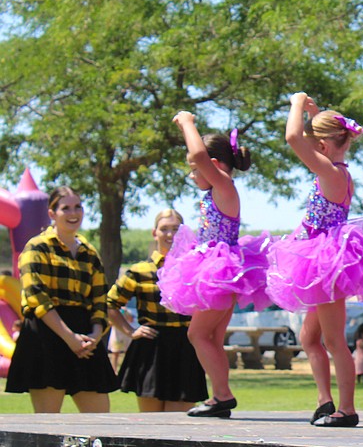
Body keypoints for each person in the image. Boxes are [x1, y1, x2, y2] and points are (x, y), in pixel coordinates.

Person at [266, 94, 363, 427]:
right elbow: (308, 136)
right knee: (310, 338)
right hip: (318, 260)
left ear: (322, 146)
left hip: (325, 263)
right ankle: (325, 401)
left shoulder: (330, 171)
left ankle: (347, 409)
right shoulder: (334, 167)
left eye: (314, 145)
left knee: (334, 339)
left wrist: (296, 104)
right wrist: (314, 112)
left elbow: (292, 137)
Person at [158, 114, 270, 418]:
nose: (193, 174)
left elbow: (197, 153)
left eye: (196, 169)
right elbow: (197, 158)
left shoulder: (223, 185)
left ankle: (222, 396)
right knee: (211, 338)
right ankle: (219, 396)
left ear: (216, 164)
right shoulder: (215, 191)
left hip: (220, 272)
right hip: (219, 270)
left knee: (197, 335)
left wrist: (186, 123)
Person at [5, 186, 119, 412]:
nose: (73, 213)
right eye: (65, 208)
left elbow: (99, 299)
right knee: (48, 423)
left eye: (77, 207)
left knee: (102, 424)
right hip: (46, 334)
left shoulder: (89, 252)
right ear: (51, 214)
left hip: (86, 336)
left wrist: (95, 336)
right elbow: (37, 297)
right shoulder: (36, 247)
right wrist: (68, 338)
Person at [108, 208, 207, 412]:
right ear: (155, 233)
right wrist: (130, 331)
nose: (170, 234)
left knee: (181, 422)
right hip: (150, 348)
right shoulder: (139, 271)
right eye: (164, 229)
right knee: (151, 422)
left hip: (185, 346)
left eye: (176, 229)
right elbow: (109, 304)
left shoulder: (196, 267)